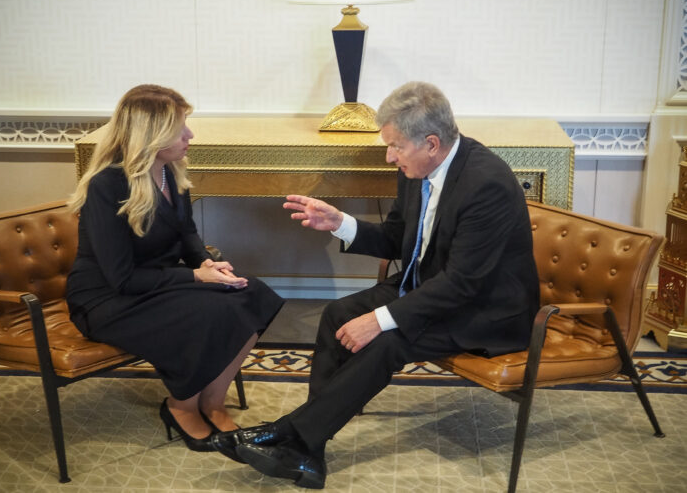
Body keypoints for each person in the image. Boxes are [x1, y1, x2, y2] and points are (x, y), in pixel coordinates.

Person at [210, 81, 539, 488]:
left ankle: (288, 433)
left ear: (431, 143)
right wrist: (341, 224)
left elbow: (463, 284)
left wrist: (380, 319)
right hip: (431, 288)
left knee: (386, 339)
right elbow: (398, 240)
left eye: (396, 146)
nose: (388, 156)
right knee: (336, 316)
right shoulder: (416, 169)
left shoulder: (486, 184)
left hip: (486, 310)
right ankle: (308, 448)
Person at [66, 84, 284, 451]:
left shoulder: (170, 173)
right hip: (107, 298)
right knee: (207, 310)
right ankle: (181, 406)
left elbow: (188, 235)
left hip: (157, 283)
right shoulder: (107, 185)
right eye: (180, 128)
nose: (190, 135)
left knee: (253, 294)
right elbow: (121, 278)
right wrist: (196, 276)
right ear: (150, 134)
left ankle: (212, 402)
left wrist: (207, 262)